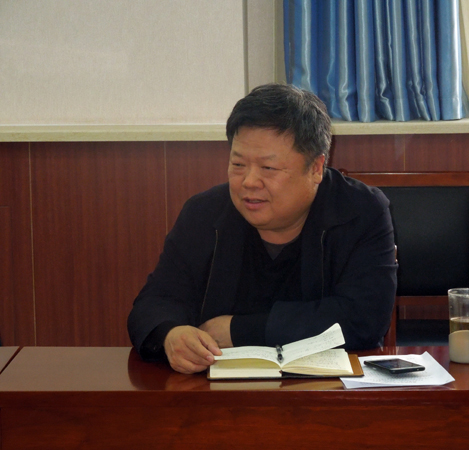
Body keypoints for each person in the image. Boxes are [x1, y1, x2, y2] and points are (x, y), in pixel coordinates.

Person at [128, 83, 397, 374]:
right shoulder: (204, 214)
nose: (249, 182)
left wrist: (238, 331)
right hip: (217, 392)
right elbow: (153, 303)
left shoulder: (360, 212)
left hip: (326, 390)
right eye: (238, 164)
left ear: (316, 168)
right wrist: (171, 334)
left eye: (268, 168)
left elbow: (364, 318)